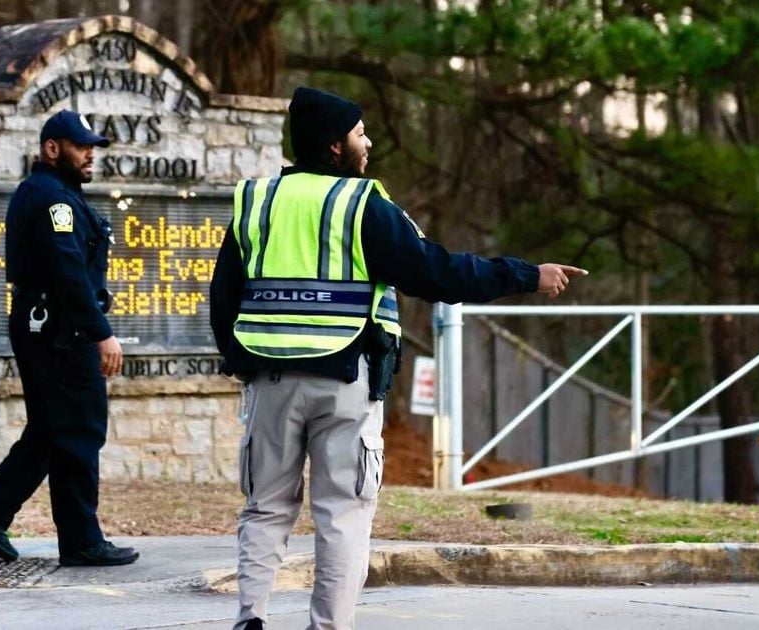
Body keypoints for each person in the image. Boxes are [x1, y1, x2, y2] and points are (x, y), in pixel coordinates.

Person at [210, 86, 587, 630]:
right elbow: (438, 273)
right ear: (336, 145)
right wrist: (526, 275)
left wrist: (241, 360)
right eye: (360, 133)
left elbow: (224, 295)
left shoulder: (258, 201)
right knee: (342, 513)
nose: (368, 143)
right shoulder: (362, 205)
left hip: (269, 381)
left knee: (265, 507)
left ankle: (251, 620)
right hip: (344, 382)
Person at [0, 109, 138, 568]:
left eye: (93, 148)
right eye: (81, 147)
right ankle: (81, 542)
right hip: (60, 329)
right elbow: (68, 272)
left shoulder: (52, 192)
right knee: (80, 430)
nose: (90, 156)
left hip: (48, 323)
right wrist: (101, 333)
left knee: (53, 429)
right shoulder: (53, 199)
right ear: (52, 148)